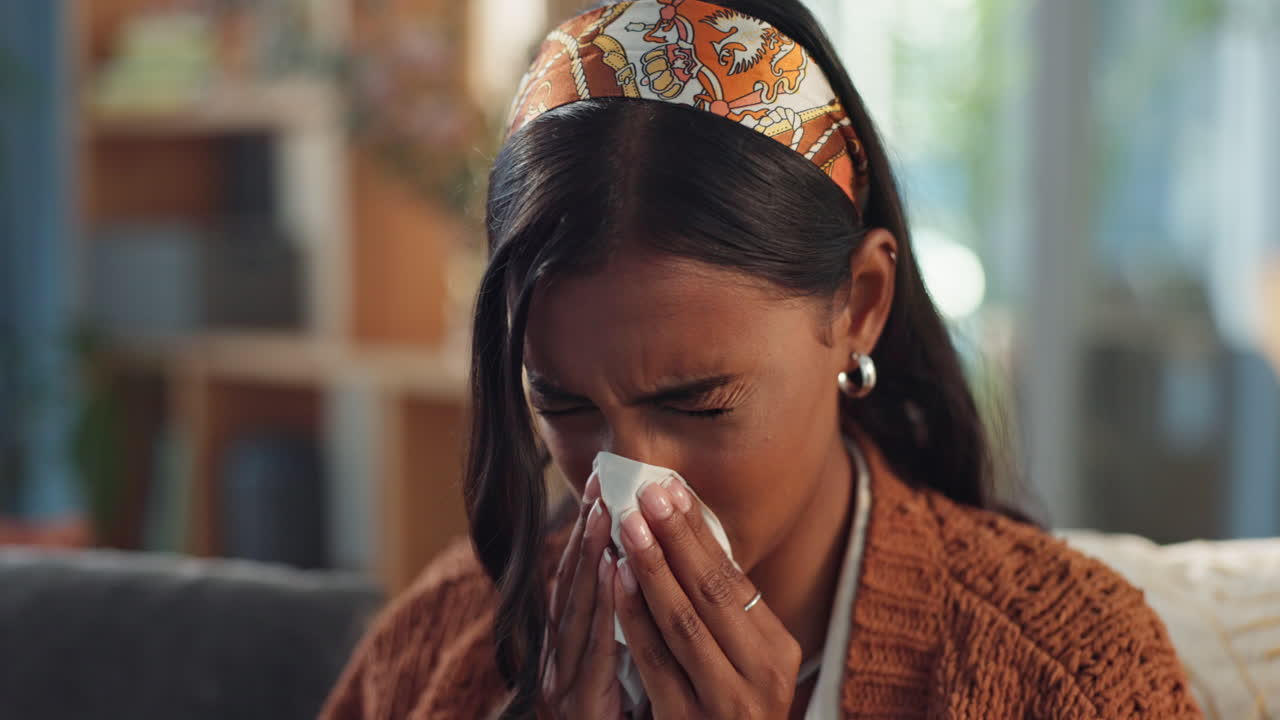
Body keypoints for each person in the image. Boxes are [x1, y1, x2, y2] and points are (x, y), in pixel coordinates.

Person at [321, 1, 1203, 717]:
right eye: (566, 407)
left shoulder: (1070, 673)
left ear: (859, 308)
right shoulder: (443, 652)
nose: (631, 480)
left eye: (697, 403)